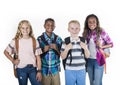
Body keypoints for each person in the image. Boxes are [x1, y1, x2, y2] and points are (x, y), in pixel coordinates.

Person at [4, 20, 42, 85]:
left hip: (33, 69)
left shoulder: (34, 41)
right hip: (21, 69)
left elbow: (38, 58)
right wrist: (13, 60)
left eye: (27, 28)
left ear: (30, 28)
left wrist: (39, 71)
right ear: (19, 29)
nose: (25, 30)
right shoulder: (15, 41)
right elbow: (5, 52)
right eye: (23, 28)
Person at [82, 14, 113, 85]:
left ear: (97, 23)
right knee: (91, 82)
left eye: (94, 22)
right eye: (90, 22)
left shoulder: (101, 31)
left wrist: (101, 46)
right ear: (87, 23)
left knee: (97, 82)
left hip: (98, 60)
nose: (92, 24)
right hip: (89, 60)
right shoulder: (85, 33)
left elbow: (111, 44)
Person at [60, 20, 90, 85]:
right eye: (72, 28)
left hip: (81, 69)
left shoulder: (83, 40)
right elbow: (62, 57)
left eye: (76, 28)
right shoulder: (65, 41)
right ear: (68, 29)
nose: (74, 30)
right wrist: (66, 49)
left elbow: (87, 56)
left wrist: (85, 48)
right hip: (69, 70)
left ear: (79, 29)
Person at [37, 18, 62, 85]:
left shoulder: (58, 39)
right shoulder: (39, 39)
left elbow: (62, 54)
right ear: (44, 26)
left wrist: (56, 48)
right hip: (44, 69)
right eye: (48, 25)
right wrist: (43, 50)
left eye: (52, 25)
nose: (50, 26)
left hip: (55, 69)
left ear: (54, 27)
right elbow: (36, 55)